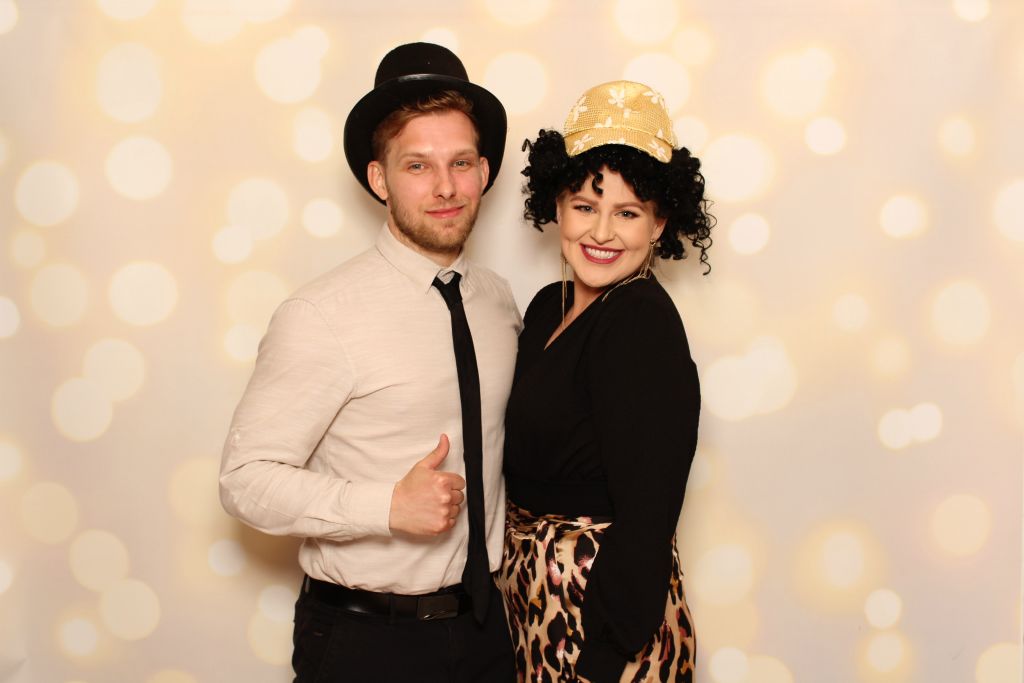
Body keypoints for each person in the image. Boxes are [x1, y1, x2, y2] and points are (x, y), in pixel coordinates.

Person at [219, 42, 521, 682]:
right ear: (380, 179)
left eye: (460, 162)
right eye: (418, 165)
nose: (445, 187)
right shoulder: (321, 314)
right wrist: (385, 507)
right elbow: (244, 481)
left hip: (487, 630)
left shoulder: (499, 303)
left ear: (484, 171)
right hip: (366, 642)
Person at [496, 80, 713, 683]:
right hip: (536, 599)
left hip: (599, 617)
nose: (601, 233)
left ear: (659, 223)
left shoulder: (641, 321)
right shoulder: (549, 306)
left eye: (628, 213)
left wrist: (606, 653)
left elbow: (649, 511)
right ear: (557, 207)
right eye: (585, 207)